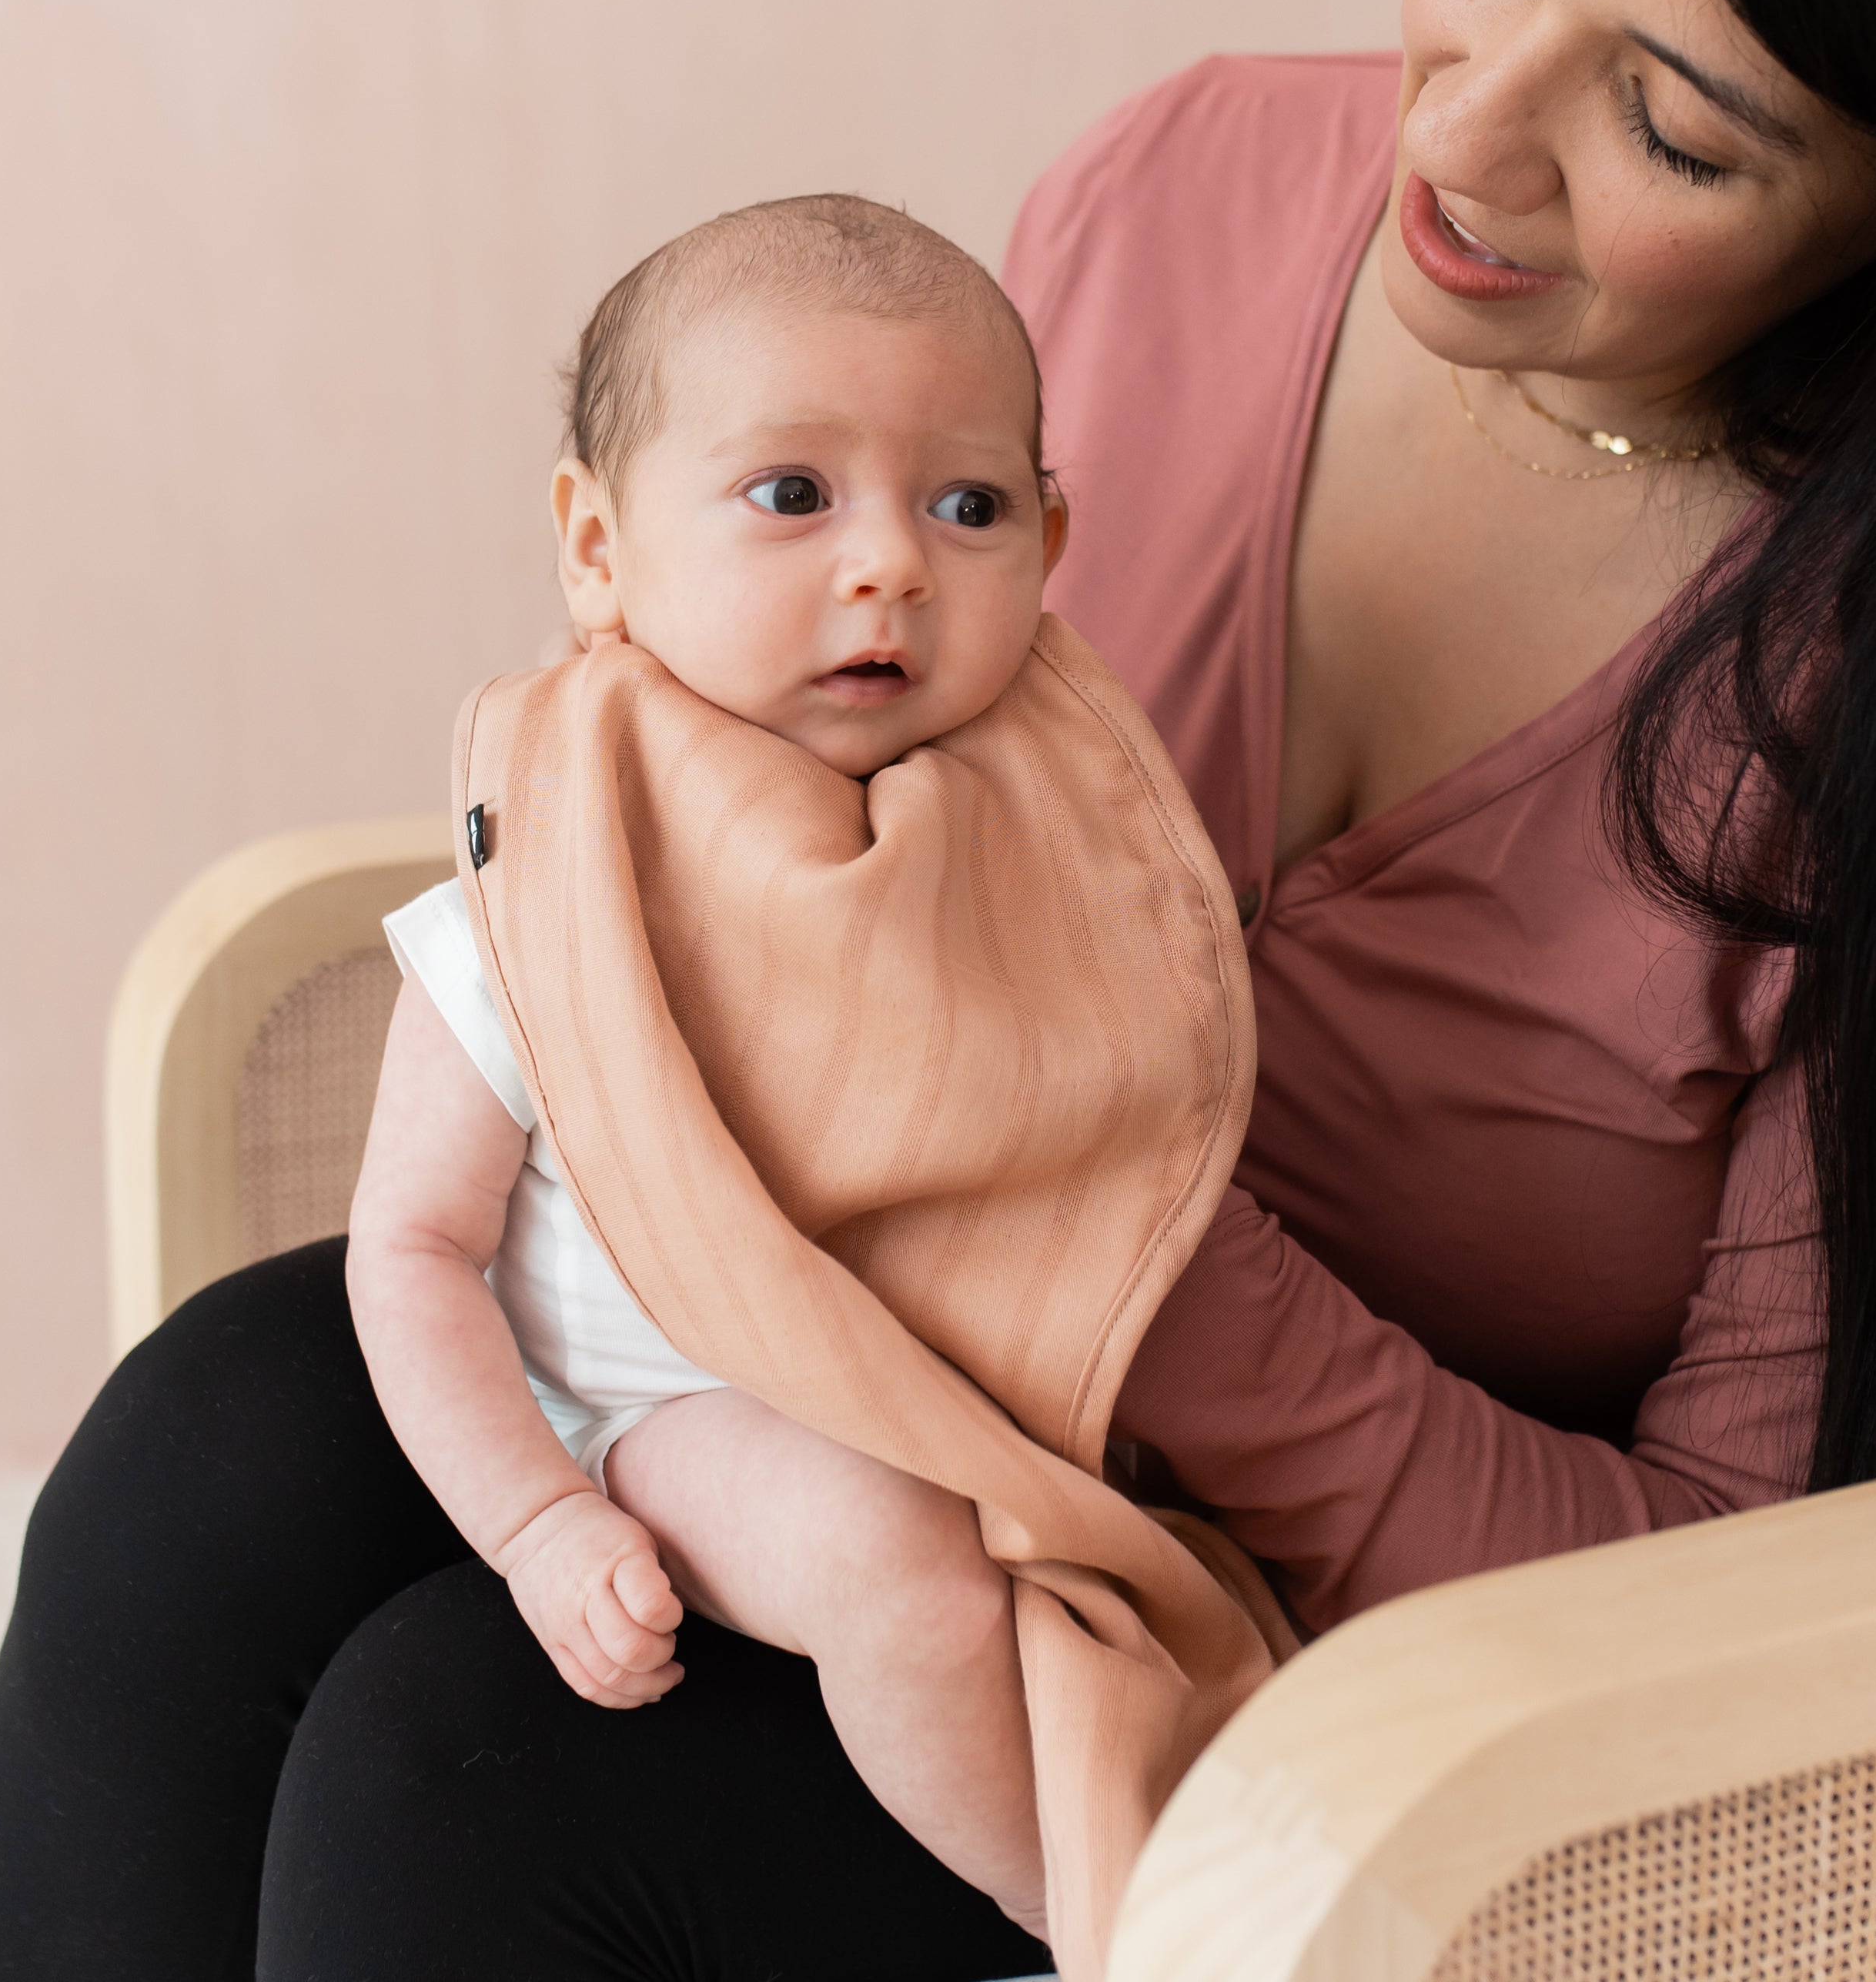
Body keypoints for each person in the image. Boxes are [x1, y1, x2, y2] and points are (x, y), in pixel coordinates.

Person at [0, 0, 1876, 1976]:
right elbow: (778, 710)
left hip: (1377, 1684)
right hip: (850, 1379)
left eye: (1673, 131)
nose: (1464, 132)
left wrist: (1135, 1275)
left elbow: (1740, 1626)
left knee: (454, 1773)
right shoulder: (1182, 198)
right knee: (211, 1446)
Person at [348, 189, 1268, 1963]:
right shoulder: (545, 902)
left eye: (969, 507)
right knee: (904, 1566)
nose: (891, 564)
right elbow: (411, 1249)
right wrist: (539, 1523)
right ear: (599, 548)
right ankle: (1085, 1915)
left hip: (952, 1393)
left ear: (1053, 544)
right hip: (660, 1407)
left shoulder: (1036, 843)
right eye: (792, 494)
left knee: (1105, 1606)